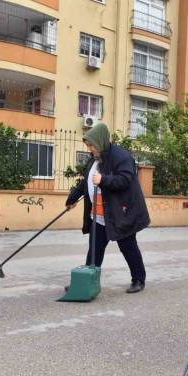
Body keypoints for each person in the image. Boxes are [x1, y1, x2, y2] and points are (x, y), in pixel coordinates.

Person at [65, 123, 150, 293]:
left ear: (100, 141)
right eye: (87, 146)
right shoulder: (94, 159)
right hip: (98, 214)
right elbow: (85, 182)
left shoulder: (121, 157)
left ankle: (139, 279)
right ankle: (87, 280)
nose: (89, 149)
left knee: (128, 248)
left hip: (120, 214)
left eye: (91, 145)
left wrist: (103, 180)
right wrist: (72, 199)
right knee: (94, 251)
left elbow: (125, 179)